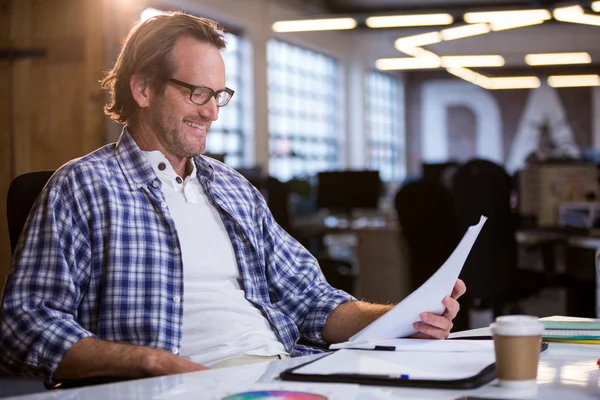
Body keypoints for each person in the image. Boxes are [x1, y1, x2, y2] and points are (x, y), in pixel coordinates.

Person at [0, 12, 466, 384]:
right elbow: (23, 326)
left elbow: (312, 301)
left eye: (218, 95)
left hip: (284, 371)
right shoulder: (82, 186)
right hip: (176, 385)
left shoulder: (232, 188)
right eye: (197, 92)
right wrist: (151, 364)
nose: (210, 111)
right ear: (143, 88)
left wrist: (407, 317)